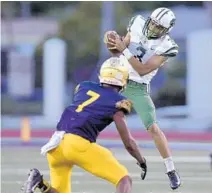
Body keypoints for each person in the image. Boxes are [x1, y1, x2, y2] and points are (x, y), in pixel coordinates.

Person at [21, 57, 147, 193]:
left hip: (55, 144)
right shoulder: (120, 101)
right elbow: (128, 143)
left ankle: (40, 183)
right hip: (77, 143)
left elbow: (86, 109)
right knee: (123, 179)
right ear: (124, 78)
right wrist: (141, 160)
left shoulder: (84, 86)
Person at [104, 7, 181, 190]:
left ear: (166, 30)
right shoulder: (137, 22)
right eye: (152, 23)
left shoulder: (167, 45)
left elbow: (143, 69)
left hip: (137, 86)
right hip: (116, 77)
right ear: (148, 20)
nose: (154, 28)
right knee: (91, 109)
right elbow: (118, 50)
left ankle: (171, 169)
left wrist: (124, 50)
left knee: (153, 127)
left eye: (159, 27)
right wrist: (112, 41)